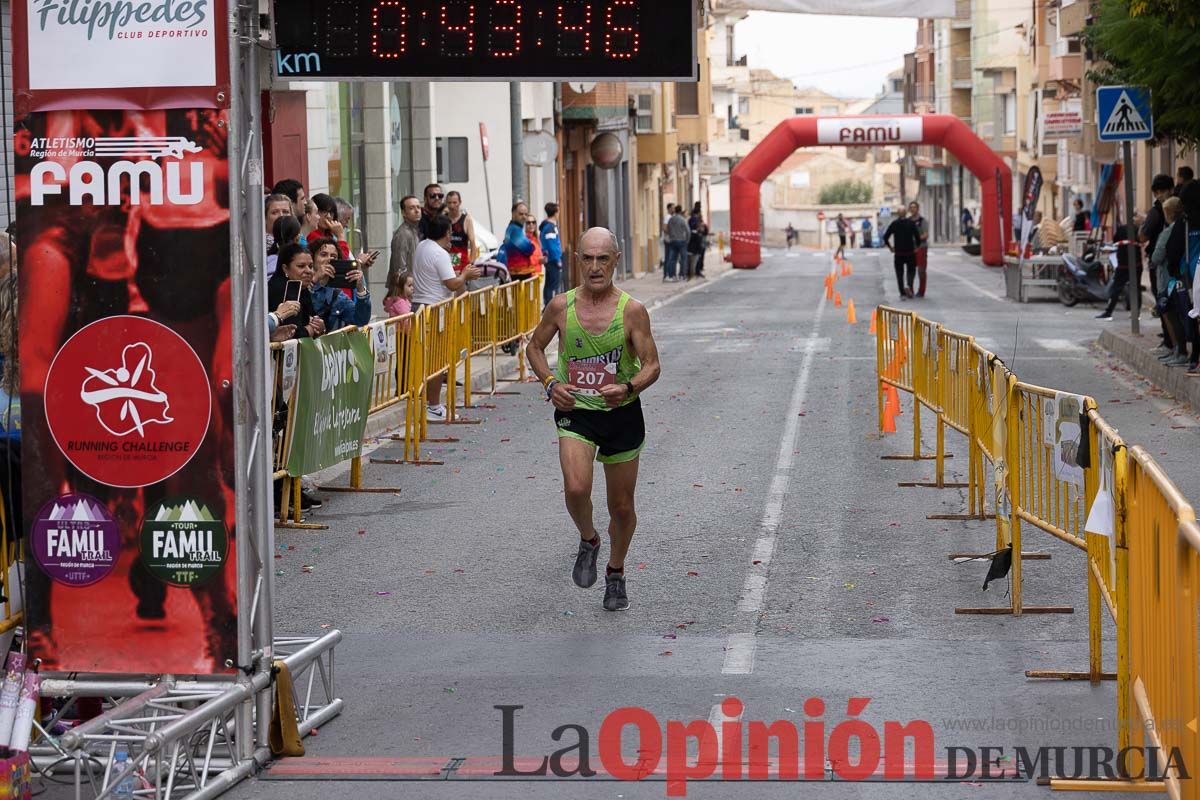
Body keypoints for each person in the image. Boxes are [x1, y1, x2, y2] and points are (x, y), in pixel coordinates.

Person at [526, 227, 662, 612]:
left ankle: (615, 571)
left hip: (622, 413)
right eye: (588, 258)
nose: (595, 266)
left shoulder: (632, 311)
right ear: (577, 260)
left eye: (603, 258)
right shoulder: (560, 306)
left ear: (616, 260)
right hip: (577, 412)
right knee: (575, 488)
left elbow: (652, 365)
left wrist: (629, 388)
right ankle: (589, 539)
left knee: (621, 506)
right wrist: (551, 383)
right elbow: (534, 347)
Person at [411, 215, 481, 421]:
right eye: (450, 232)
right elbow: (452, 283)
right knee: (437, 361)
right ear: (446, 232)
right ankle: (433, 406)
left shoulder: (423, 246)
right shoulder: (439, 253)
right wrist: (466, 275)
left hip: (420, 307)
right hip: (435, 309)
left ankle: (426, 404)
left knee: (427, 359)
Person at [1141, 174, 1177, 348]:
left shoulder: (1157, 212)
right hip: (1171, 264)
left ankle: (1174, 344)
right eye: (1157, 192)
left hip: (1164, 265)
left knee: (1166, 304)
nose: (1160, 195)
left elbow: (1143, 236)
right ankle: (1172, 342)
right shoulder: (1165, 209)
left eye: (1163, 191)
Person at [1151, 197, 1187, 366]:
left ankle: (1179, 351)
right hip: (1179, 278)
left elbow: (1157, 256)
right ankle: (1178, 350)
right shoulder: (1184, 228)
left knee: (1172, 316)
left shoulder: (1169, 231)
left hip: (1167, 280)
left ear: (1168, 213)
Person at [309, 238, 372, 332]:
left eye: (333, 256)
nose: (329, 259)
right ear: (312, 259)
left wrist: (360, 289)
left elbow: (360, 320)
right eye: (323, 255)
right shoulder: (301, 282)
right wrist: (315, 278)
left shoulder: (338, 296)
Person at [266, 243, 325, 339]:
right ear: (285, 269)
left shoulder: (301, 286)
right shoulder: (281, 289)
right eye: (301, 266)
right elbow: (293, 332)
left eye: (310, 266)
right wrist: (311, 329)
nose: (308, 271)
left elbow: (313, 319)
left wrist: (319, 325)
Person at [1096, 223, 1143, 320]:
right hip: (1137, 263)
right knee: (1136, 288)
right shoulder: (1137, 228)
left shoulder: (1121, 229)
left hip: (1123, 264)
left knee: (1116, 288)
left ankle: (1108, 312)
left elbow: (1115, 240)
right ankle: (1136, 313)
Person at [882, 207, 919, 299]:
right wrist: (916, 247)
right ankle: (909, 286)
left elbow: (885, 236)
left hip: (899, 253)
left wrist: (890, 247)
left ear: (898, 214)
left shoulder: (894, 224)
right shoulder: (911, 223)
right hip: (910, 252)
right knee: (911, 271)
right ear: (906, 213)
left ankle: (902, 293)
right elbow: (917, 237)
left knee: (899, 273)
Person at [389, 195, 423, 284]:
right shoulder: (402, 234)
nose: (417, 211)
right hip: (404, 289)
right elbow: (400, 268)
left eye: (418, 207)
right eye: (412, 208)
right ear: (404, 212)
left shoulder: (417, 229)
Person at [502, 202, 537, 279]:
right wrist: (532, 245)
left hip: (517, 272)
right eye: (521, 214)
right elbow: (528, 249)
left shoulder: (514, 228)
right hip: (519, 273)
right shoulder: (515, 230)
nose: (524, 217)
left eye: (526, 214)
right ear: (513, 214)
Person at [445, 191, 477, 271]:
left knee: (457, 282)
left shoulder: (467, 219)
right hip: (445, 260)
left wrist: (472, 263)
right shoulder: (443, 219)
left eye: (454, 202)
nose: (452, 206)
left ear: (460, 203)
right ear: (446, 204)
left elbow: (472, 243)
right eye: (449, 203)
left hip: (462, 261)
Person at [540, 202, 564, 306]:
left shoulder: (548, 226)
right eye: (558, 211)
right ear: (555, 213)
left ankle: (548, 306)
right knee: (553, 285)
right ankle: (550, 307)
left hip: (550, 259)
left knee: (549, 284)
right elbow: (552, 245)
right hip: (552, 260)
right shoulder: (550, 227)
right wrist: (557, 259)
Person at [909, 202, 930, 297]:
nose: (912, 209)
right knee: (910, 270)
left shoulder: (922, 221)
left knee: (921, 270)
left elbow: (926, 234)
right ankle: (910, 290)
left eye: (914, 207)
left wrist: (916, 238)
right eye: (911, 207)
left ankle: (921, 291)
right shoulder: (908, 221)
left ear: (918, 208)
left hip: (921, 247)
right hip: (910, 248)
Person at [665, 205, 689, 281]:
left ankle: (672, 276)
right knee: (683, 259)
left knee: (672, 259)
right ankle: (682, 275)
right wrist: (687, 240)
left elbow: (667, 229)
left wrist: (671, 236)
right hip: (682, 241)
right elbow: (688, 231)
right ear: (681, 211)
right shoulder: (683, 220)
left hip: (673, 241)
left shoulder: (671, 219)